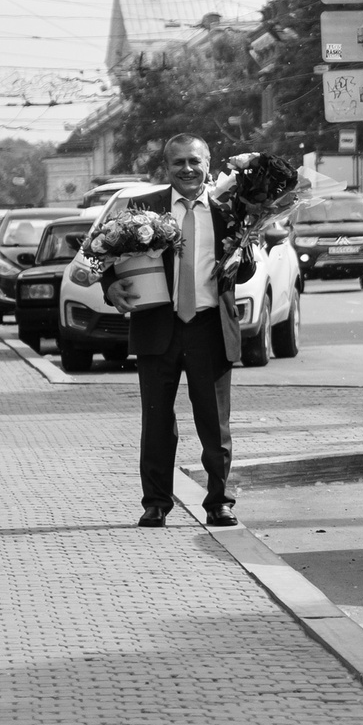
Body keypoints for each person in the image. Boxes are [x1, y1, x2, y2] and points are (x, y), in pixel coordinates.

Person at [116, 134, 241, 528]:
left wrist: (247, 248)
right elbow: (108, 256)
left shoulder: (231, 211)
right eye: (178, 163)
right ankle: (155, 503)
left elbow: (246, 272)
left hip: (210, 329)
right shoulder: (142, 209)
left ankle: (219, 502)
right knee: (156, 423)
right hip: (158, 328)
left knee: (214, 425)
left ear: (208, 163)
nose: (187, 169)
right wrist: (109, 287)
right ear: (165, 169)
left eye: (194, 161)